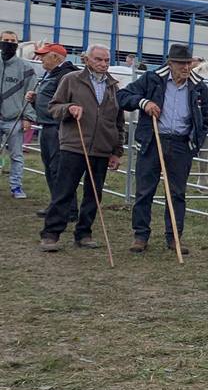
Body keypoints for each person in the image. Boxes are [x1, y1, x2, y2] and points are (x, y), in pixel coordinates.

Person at [117, 43, 208, 255]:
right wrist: (143, 103)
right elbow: (122, 96)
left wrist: (194, 143)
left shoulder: (198, 86)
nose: (186, 67)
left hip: (181, 145)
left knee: (177, 193)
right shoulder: (152, 79)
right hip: (153, 140)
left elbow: (205, 118)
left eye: (188, 63)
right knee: (144, 190)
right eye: (181, 63)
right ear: (170, 63)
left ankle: (174, 236)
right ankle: (140, 235)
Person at [39, 46, 125, 251]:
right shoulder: (71, 79)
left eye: (106, 60)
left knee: (94, 194)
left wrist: (116, 151)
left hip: (102, 149)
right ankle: (51, 233)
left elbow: (118, 122)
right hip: (74, 146)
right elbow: (53, 107)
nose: (103, 64)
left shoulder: (113, 87)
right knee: (64, 191)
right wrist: (68, 108)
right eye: (98, 59)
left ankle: (84, 233)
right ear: (87, 59)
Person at [26, 43, 79, 219]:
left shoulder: (66, 75)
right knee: (50, 168)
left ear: (56, 57)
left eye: (44, 55)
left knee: (59, 169)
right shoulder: (51, 74)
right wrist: (35, 100)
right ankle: (57, 205)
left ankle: (67, 209)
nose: (40, 59)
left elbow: (63, 102)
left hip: (59, 128)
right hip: (47, 125)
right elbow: (50, 100)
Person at [0, 29, 37, 199]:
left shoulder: (26, 68)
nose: (9, 43)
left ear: (17, 43)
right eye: (5, 40)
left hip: (14, 119)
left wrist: (28, 117)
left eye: (12, 40)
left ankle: (16, 186)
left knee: (16, 155)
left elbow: (30, 94)